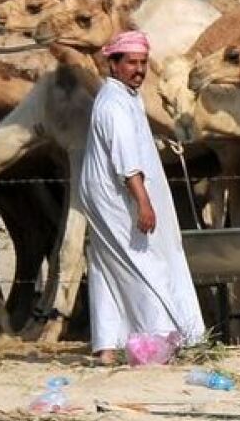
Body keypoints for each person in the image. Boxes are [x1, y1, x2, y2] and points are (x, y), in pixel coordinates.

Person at [79, 30, 205, 364]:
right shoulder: (113, 106)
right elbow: (126, 162)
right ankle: (158, 340)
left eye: (143, 63)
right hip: (118, 195)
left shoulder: (126, 98)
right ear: (113, 64)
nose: (138, 69)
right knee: (142, 262)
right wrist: (143, 202)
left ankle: (107, 347)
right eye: (131, 62)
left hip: (116, 191)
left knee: (108, 264)